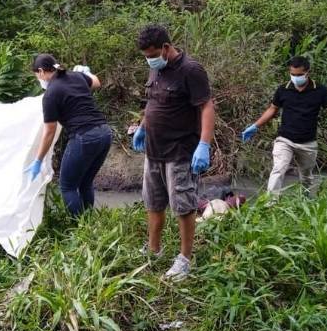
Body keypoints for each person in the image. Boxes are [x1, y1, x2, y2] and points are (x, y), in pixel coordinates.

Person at [132, 25, 215, 281]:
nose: (150, 59)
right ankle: (154, 249)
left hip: (180, 151)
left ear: (166, 48)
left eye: (153, 53)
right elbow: (153, 101)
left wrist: (204, 144)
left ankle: (185, 259)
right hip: (153, 150)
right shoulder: (155, 69)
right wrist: (143, 127)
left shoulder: (191, 70)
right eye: (146, 55)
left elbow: (207, 106)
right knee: (153, 202)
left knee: (183, 206)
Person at [241, 55, 327, 195]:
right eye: (292, 74)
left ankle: (305, 200)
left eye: (300, 74)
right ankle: (270, 204)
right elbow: (272, 109)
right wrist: (255, 126)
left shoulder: (320, 90)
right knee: (278, 169)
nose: (296, 77)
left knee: (306, 176)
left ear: (308, 72)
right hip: (285, 139)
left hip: (308, 142)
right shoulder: (283, 89)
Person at [26, 54, 113, 218]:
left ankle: (80, 229)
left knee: (67, 186)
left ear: (41, 71)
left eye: (37, 75)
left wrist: (38, 160)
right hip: (104, 133)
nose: (38, 79)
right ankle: (88, 223)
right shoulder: (74, 76)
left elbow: (49, 132)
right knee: (85, 182)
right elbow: (96, 82)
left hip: (85, 137)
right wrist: (86, 73)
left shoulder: (51, 94)